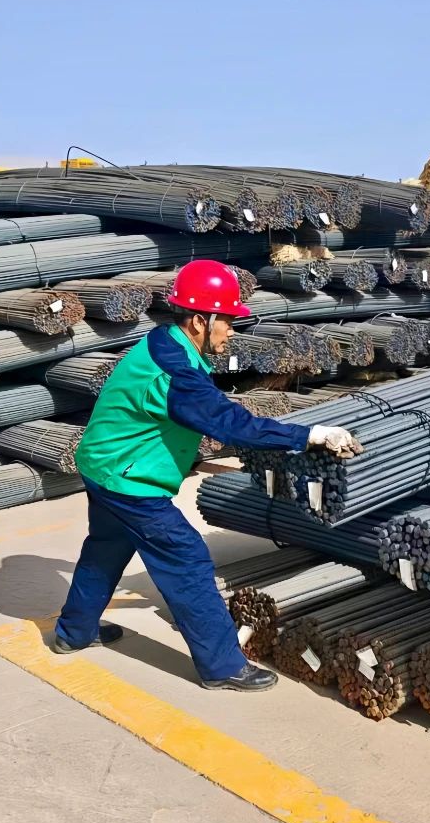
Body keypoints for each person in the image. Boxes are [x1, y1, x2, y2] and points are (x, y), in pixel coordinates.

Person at [53, 259, 362, 691]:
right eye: (228, 321)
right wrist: (309, 434)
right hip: (128, 482)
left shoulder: (163, 342)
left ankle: (73, 632)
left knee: (106, 548)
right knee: (187, 561)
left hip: (102, 465)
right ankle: (222, 666)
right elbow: (231, 425)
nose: (232, 331)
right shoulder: (175, 375)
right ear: (200, 320)